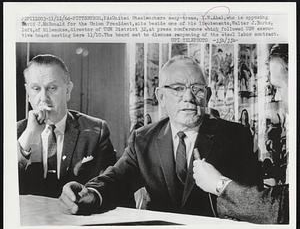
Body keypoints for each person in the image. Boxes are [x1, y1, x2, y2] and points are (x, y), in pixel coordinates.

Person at [59, 55, 262, 216]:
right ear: (160, 97)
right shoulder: (143, 139)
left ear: (207, 96)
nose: (189, 98)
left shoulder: (236, 136)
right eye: (178, 89)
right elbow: (116, 180)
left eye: (197, 89)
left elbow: (251, 201)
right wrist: (91, 193)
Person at [193, 44, 289, 224]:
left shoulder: (238, 134)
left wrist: (218, 183)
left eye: (279, 87)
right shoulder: (143, 138)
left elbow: (282, 207)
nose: (275, 97)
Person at [17, 54, 116, 198]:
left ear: (68, 90)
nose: (43, 98)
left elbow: (109, 186)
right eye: (36, 89)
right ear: (27, 93)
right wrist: (29, 137)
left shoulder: (96, 132)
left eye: (52, 88)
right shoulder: (16, 132)